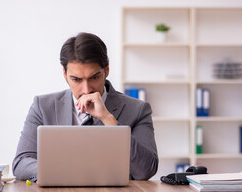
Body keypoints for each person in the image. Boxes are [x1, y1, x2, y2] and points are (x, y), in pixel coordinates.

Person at [12, 32, 158, 181]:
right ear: (64, 74)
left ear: (106, 70)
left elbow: (146, 170)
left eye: (94, 77)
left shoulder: (138, 110)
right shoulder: (42, 107)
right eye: (76, 79)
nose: (86, 89)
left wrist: (108, 119)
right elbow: (21, 162)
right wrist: (67, 172)